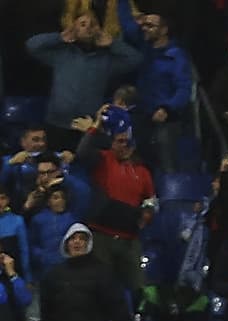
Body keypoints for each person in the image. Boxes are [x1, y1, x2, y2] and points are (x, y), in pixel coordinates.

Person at [25, 14, 142, 151]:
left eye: (93, 24)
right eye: (82, 24)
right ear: (74, 28)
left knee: (85, 168)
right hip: (57, 123)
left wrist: (113, 43)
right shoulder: (61, 54)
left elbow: (136, 60)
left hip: (87, 126)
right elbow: (32, 45)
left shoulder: (106, 60)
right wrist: (59, 37)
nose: (88, 28)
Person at [75, 103, 157, 291]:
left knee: (139, 288)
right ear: (111, 142)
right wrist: (95, 125)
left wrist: (148, 212)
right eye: (119, 142)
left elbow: (151, 200)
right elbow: (82, 153)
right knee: (101, 288)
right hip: (102, 236)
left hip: (129, 239)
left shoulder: (143, 171)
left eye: (127, 142)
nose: (124, 146)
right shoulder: (103, 160)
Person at [125, 13, 193, 174]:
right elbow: (127, 30)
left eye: (150, 26)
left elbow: (184, 89)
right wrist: (137, 23)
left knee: (167, 166)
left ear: (163, 30)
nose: (145, 29)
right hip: (143, 117)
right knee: (140, 165)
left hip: (166, 120)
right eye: (144, 25)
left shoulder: (176, 55)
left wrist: (167, 108)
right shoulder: (145, 49)